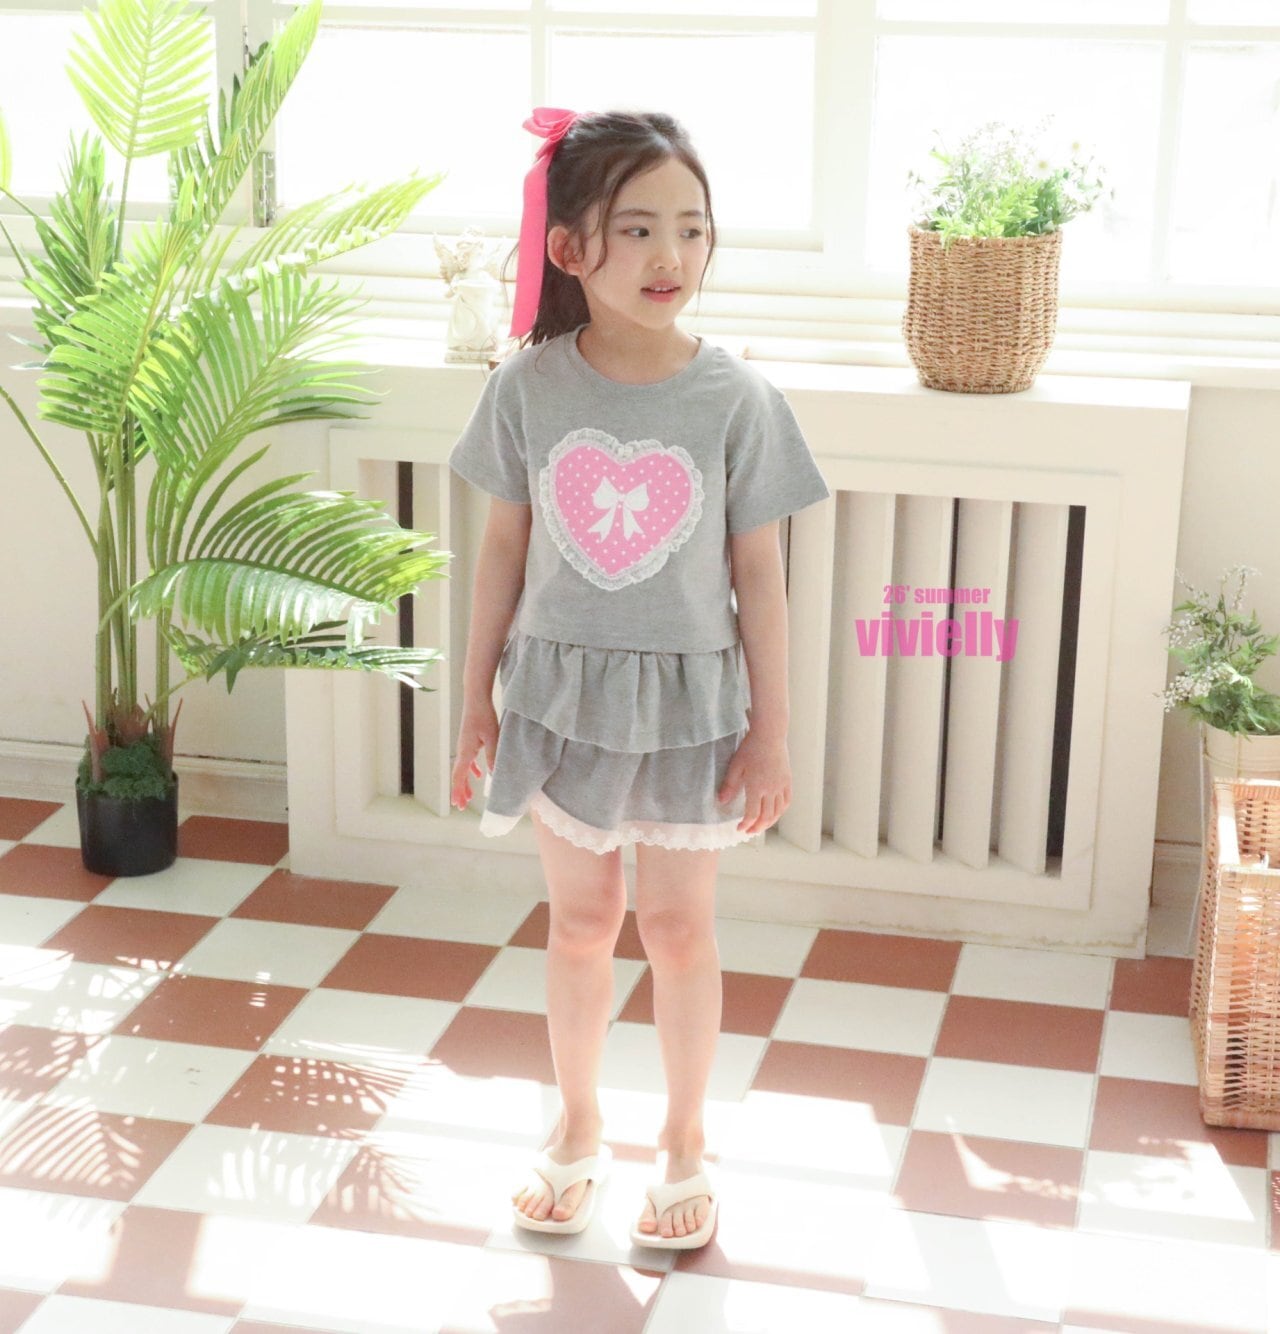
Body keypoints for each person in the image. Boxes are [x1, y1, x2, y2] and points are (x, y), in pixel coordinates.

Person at [447, 107, 829, 1250]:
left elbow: (758, 579)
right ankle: (576, 1125)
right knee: (578, 922)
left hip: (688, 707)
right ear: (569, 247)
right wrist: (473, 702)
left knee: (676, 928)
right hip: (556, 700)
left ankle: (683, 1142)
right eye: (639, 228)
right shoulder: (524, 390)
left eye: (691, 229)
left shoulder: (735, 397)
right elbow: (500, 555)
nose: (672, 255)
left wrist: (771, 731)